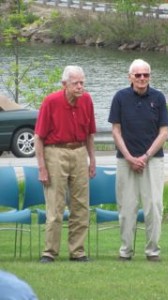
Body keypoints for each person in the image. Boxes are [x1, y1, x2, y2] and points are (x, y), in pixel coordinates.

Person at [108, 59, 168, 262]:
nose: (142, 78)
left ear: (150, 76)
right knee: (126, 208)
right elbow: (115, 131)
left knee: (154, 206)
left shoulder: (158, 98)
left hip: (152, 161)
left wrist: (144, 157)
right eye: (138, 75)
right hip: (125, 161)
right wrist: (129, 157)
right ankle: (125, 251)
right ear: (130, 77)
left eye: (146, 75)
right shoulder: (120, 97)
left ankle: (152, 251)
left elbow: (164, 132)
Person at [35, 65, 96, 263]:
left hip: (79, 152)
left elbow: (90, 134)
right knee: (55, 205)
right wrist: (42, 167)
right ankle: (49, 252)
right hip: (55, 152)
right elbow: (38, 138)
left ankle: (77, 252)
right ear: (65, 84)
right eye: (76, 83)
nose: (80, 87)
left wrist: (92, 159)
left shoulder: (86, 100)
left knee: (81, 206)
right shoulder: (50, 101)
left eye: (82, 83)